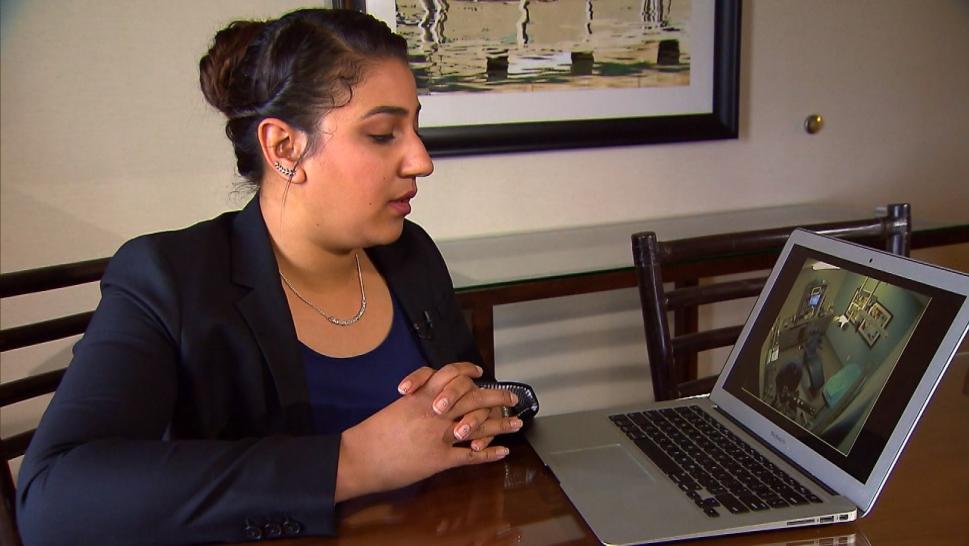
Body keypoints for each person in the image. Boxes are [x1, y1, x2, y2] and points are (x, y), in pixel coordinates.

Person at [16, 9, 523, 545]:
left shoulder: (409, 255)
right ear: (284, 147)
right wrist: (351, 462)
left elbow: (477, 400)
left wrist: (485, 410)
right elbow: (53, 501)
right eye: (382, 134)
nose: (421, 160)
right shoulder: (169, 279)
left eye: (415, 128)